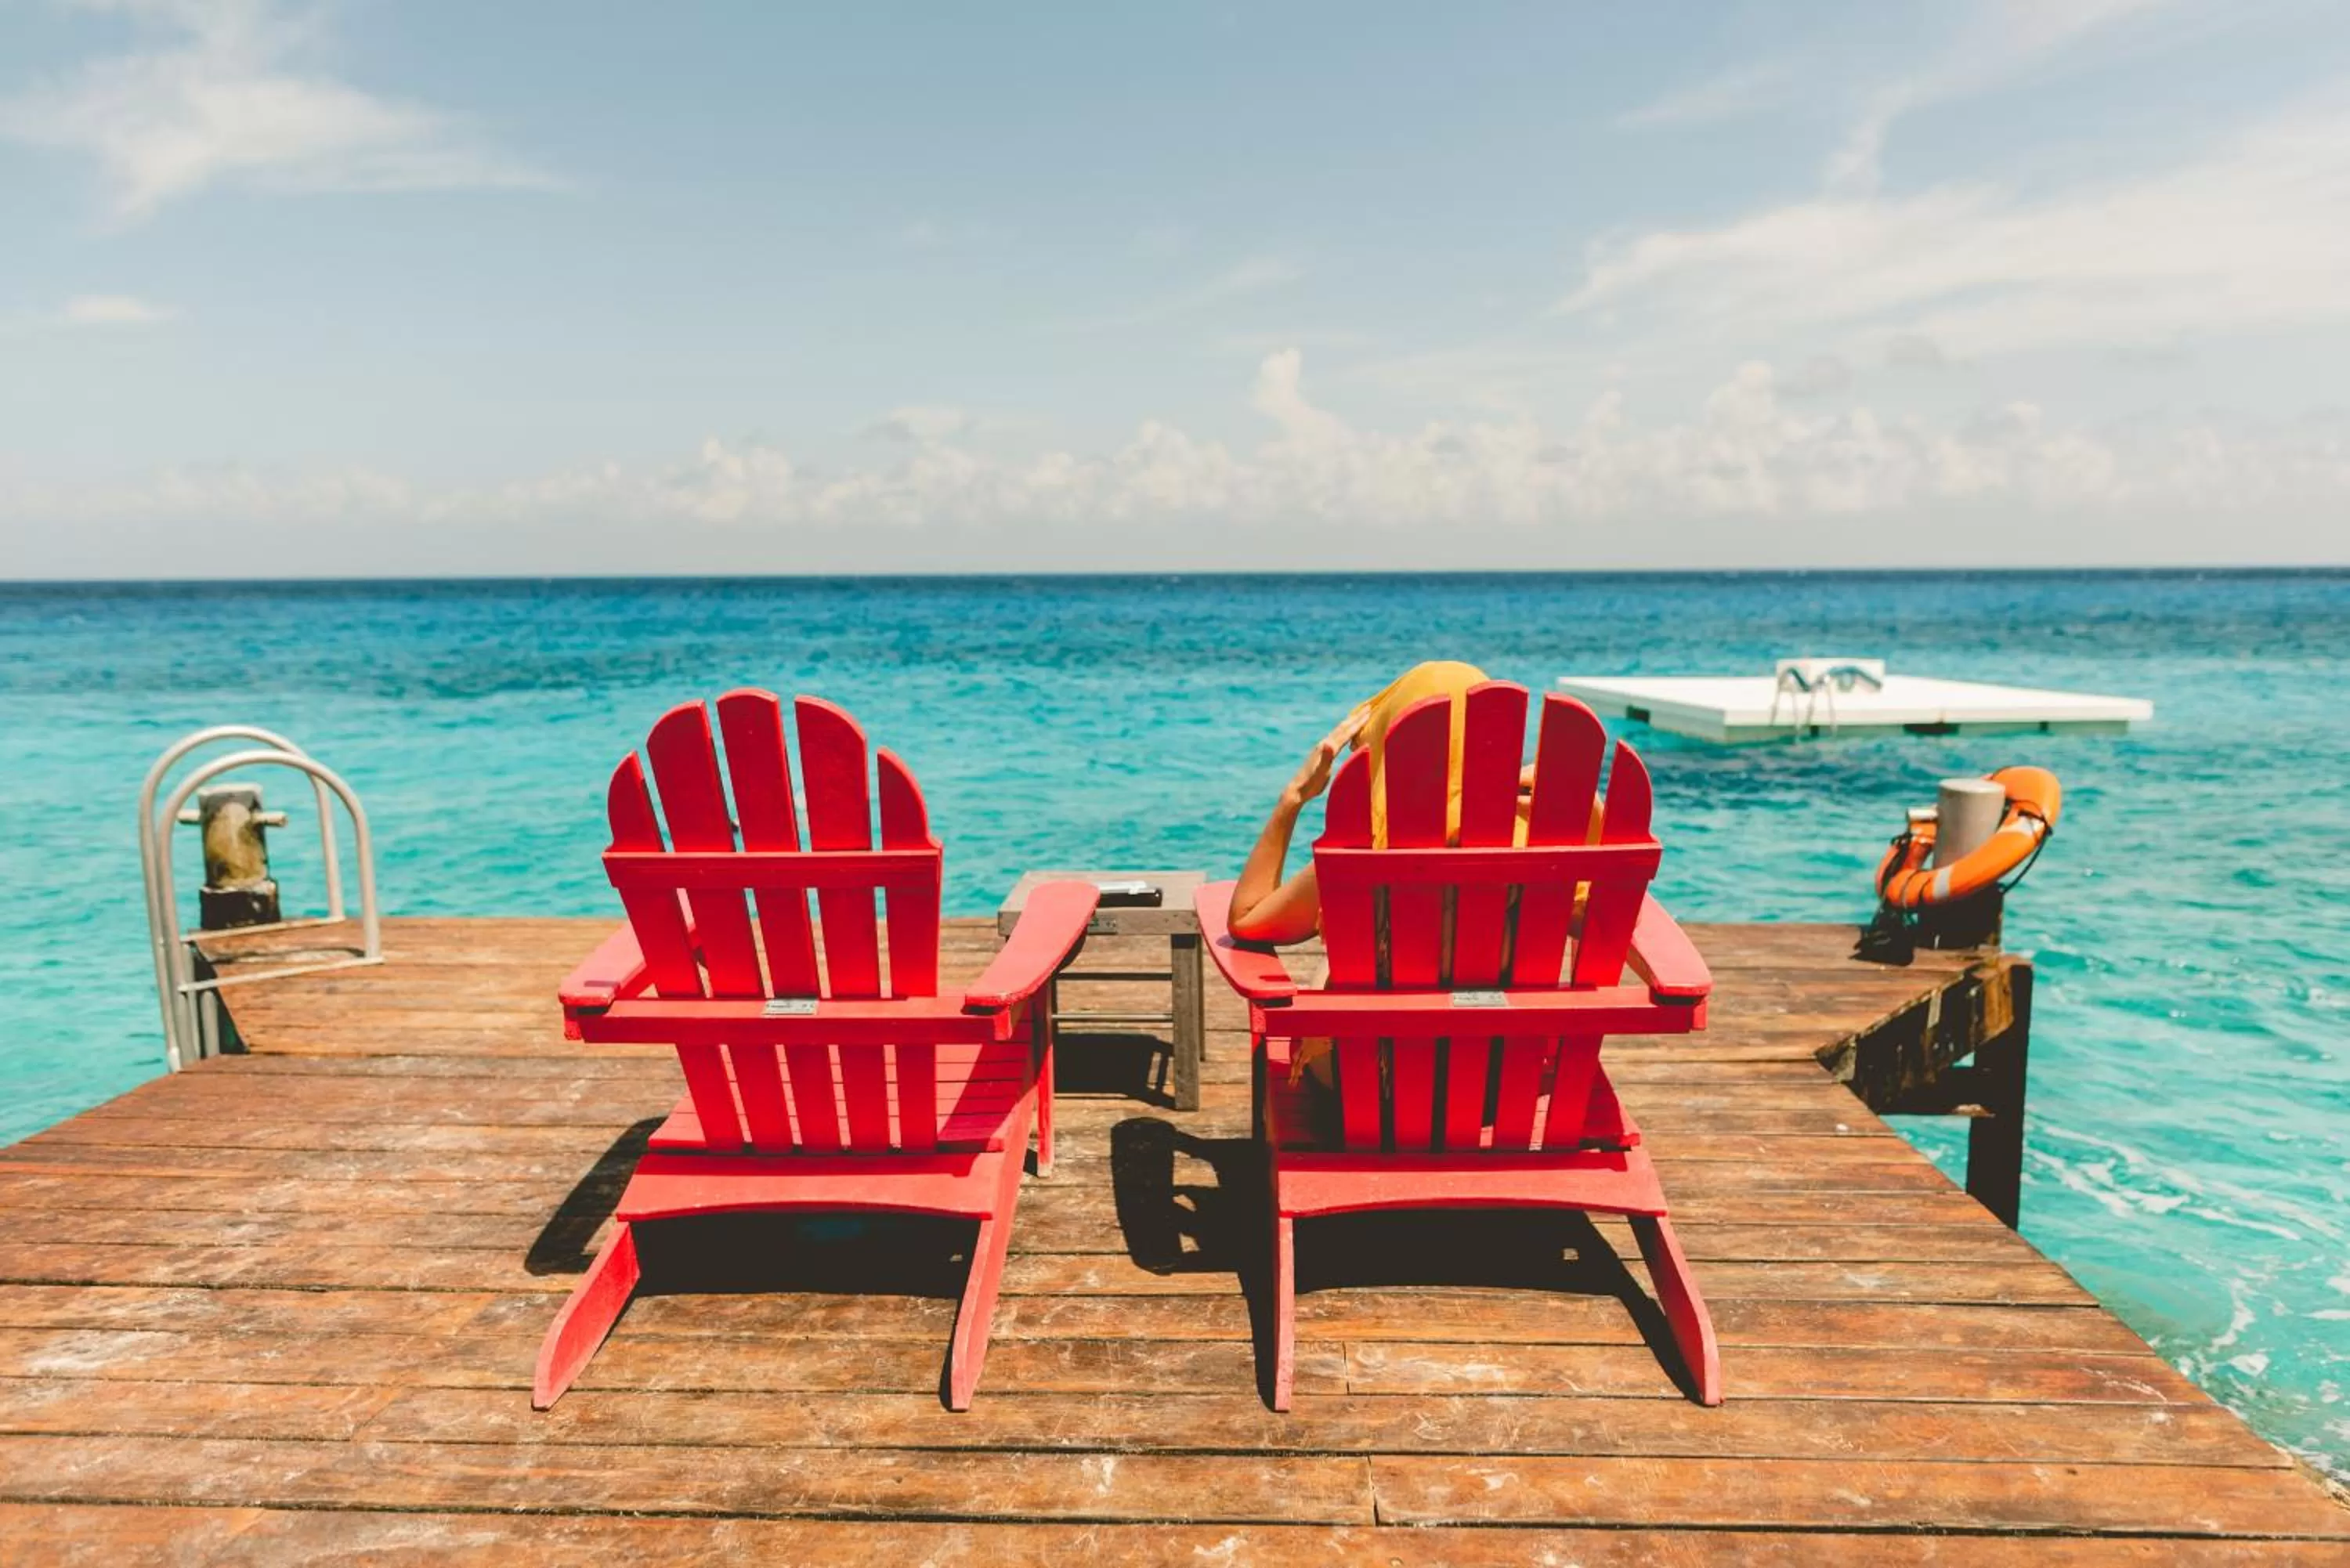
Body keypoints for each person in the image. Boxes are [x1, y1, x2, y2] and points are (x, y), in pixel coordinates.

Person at [1227, 659, 1509, 945]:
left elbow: (1246, 921)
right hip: (1503, 987)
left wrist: (1293, 798)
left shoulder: (1365, 851)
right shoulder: (1528, 833)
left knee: (1336, 961)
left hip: (1386, 985)